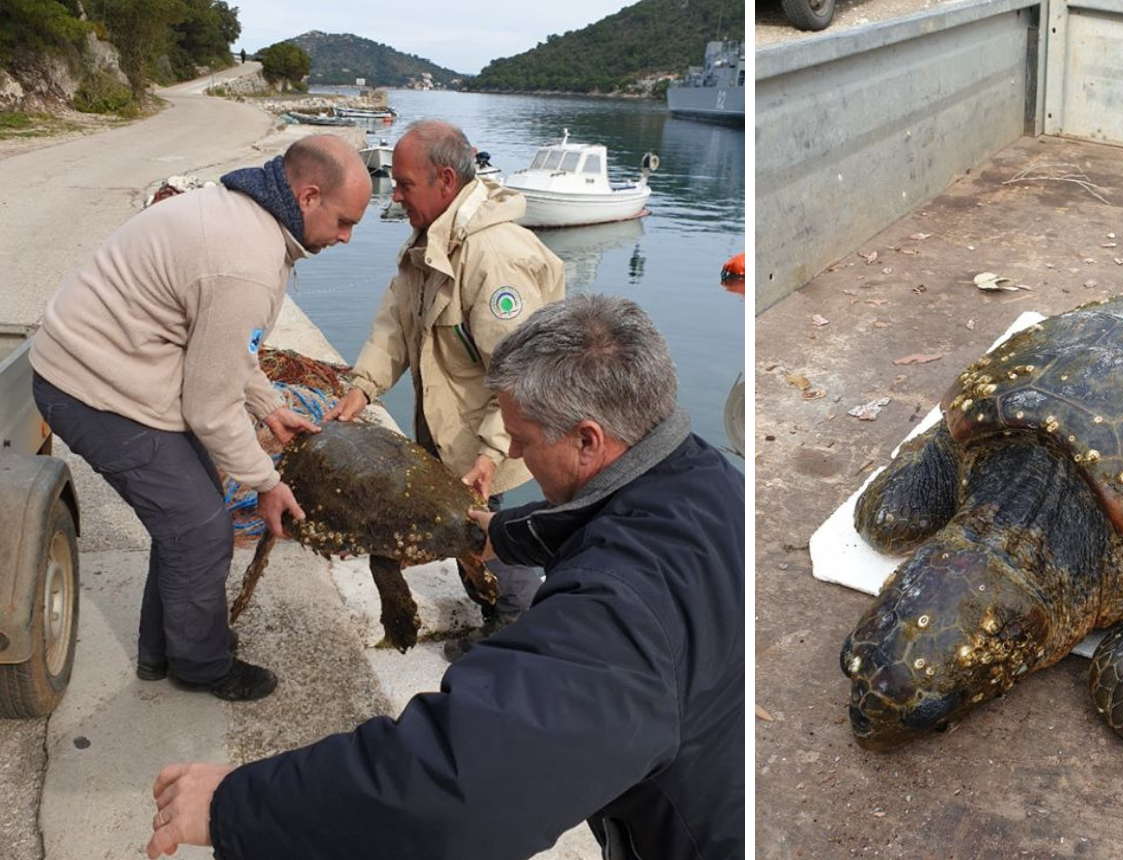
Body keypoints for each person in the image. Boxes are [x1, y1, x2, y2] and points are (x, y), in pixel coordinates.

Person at [146, 294, 745, 860]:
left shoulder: (618, 621)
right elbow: (609, 519)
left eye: (524, 438)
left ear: (588, 440)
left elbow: (457, 788)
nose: (510, 446)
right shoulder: (707, 479)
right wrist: (498, 532)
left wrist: (237, 807)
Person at [30, 135, 372, 702]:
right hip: (92, 386)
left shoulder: (250, 215)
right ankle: (200, 665)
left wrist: (269, 406)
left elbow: (231, 351)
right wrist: (267, 482)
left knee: (190, 513)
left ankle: (161, 650)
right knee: (200, 529)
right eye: (343, 221)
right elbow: (210, 407)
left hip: (125, 368)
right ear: (308, 195)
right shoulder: (246, 261)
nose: (346, 237)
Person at [328, 119, 566, 651]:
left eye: (405, 184)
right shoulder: (428, 243)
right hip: (448, 434)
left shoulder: (493, 258)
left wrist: (490, 453)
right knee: (464, 537)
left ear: (444, 181)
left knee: (495, 539)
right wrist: (363, 387)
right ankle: (494, 624)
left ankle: (514, 641)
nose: (398, 195)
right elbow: (395, 323)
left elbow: (524, 373)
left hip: (497, 438)